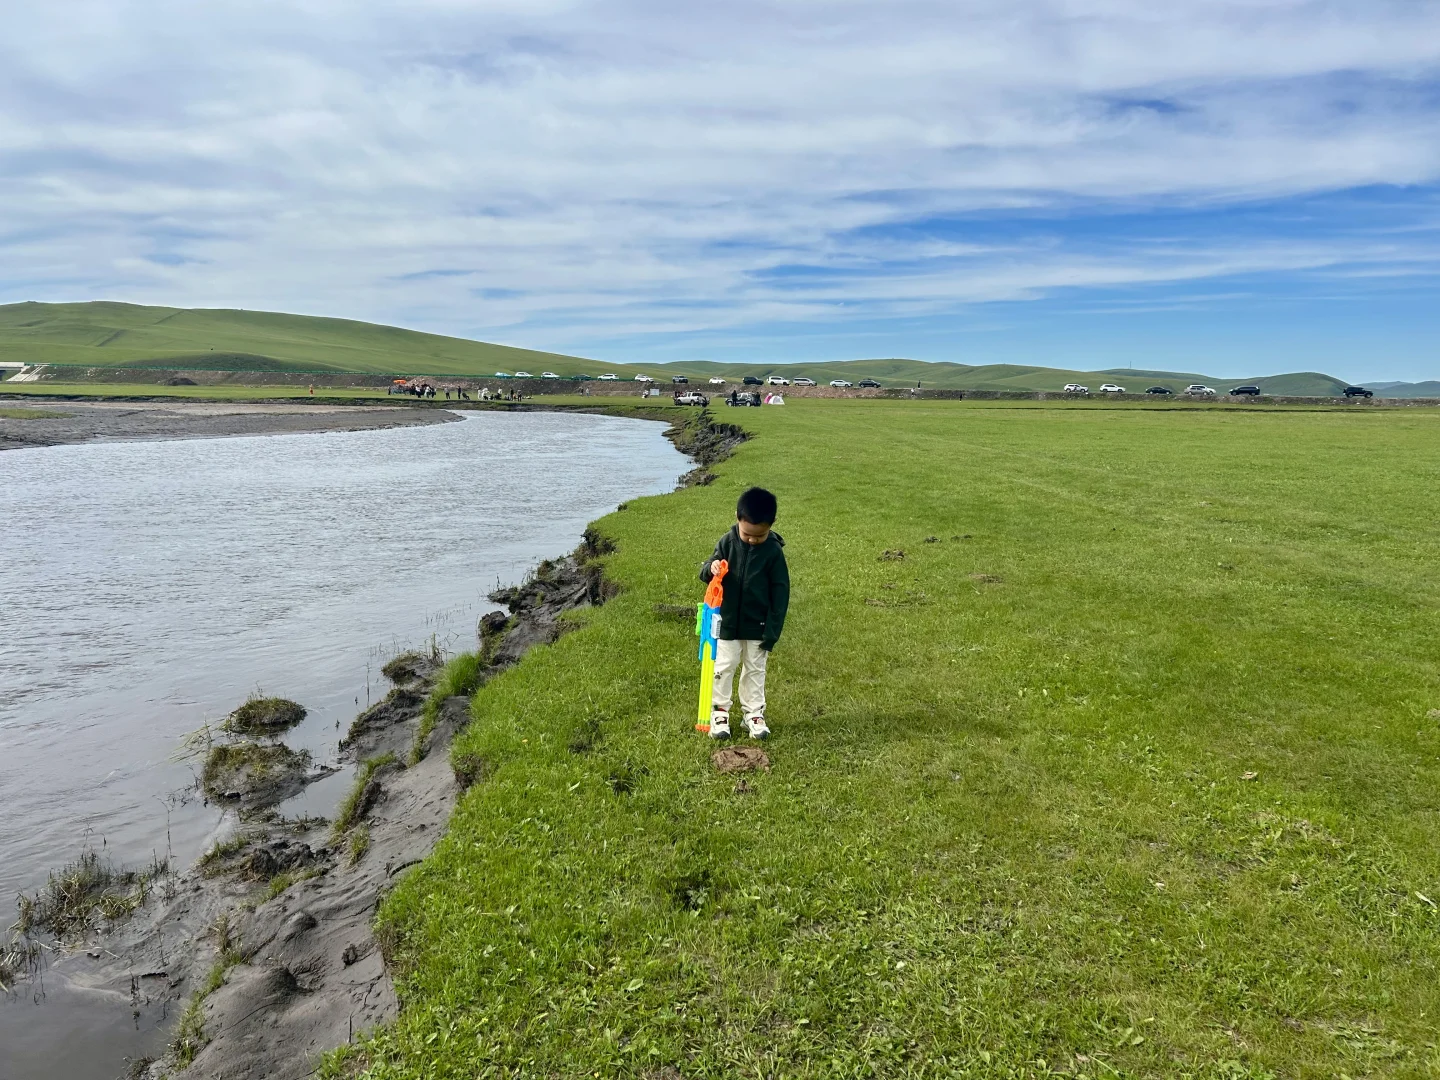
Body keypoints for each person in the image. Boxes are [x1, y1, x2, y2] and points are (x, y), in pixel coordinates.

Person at [699, 487, 789, 740]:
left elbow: (781, 594)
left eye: (758, 536)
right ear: (737, 518)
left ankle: (753, 714)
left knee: (755, 669)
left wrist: (772, 630)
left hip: (758, 626)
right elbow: (705, 571)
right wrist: (711, 569)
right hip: (727, 623)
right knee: (724, 667)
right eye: (747, 534)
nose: (751, 540)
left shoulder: (773, 552)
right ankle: (720, 713)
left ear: (771, 525)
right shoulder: (727, 543)